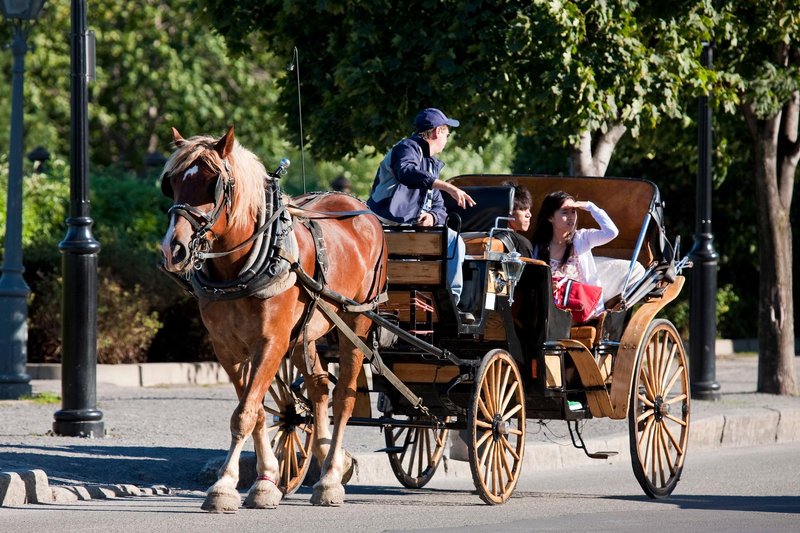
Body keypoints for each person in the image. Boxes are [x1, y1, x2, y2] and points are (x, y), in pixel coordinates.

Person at [367, 107, 476, 318]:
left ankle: (449, 303)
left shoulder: (430, 164)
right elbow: (406, 172)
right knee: (455, 242)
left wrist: (432, 217)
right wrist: (448, 187)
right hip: (386, 228)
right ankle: (452, 304)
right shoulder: (407, 148)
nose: (448, 137)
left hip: (412, 235)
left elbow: (440, 209)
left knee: (453, 240)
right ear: (437, 132)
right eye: (446, 132)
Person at [531, 191, 619, 321]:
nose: (571, 217)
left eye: (573, 212)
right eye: (565, 212)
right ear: (550, 217)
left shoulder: (582, 238)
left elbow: (611, 232)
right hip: (551, 307)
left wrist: (590, 206)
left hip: (583, 307)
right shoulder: (539, 247)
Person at [500, 181, 534, 258]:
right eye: (523, 209)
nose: (529, 215)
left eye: (529, 209)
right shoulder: (522, 244)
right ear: (508, 212)